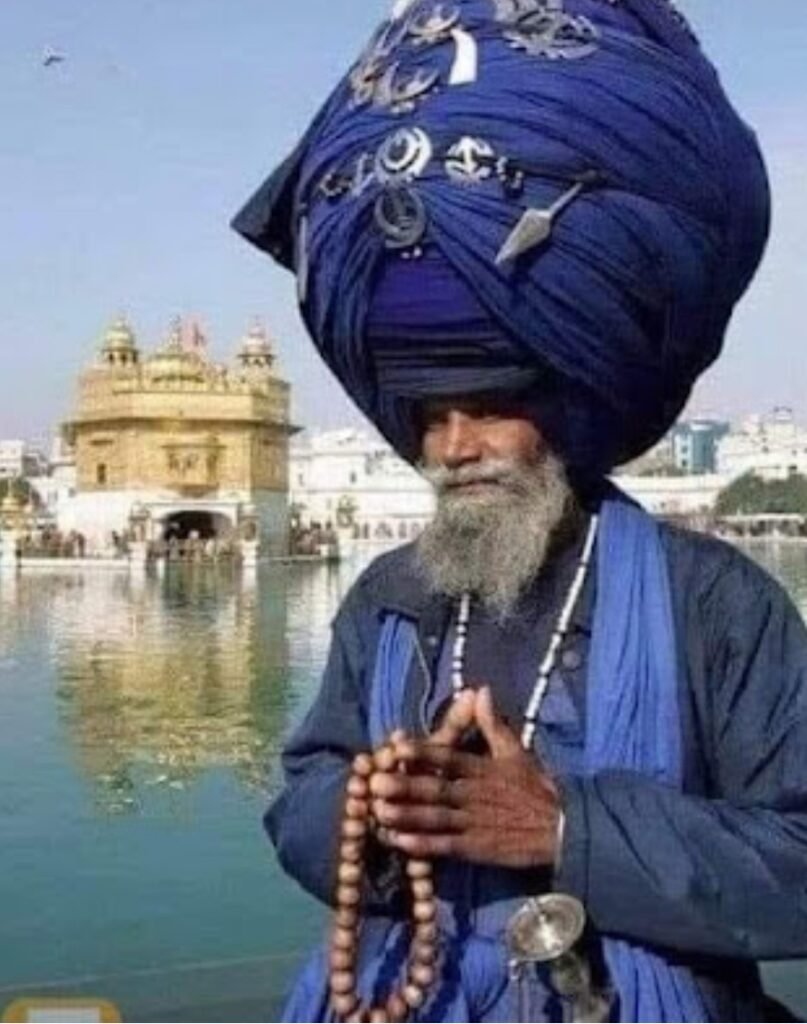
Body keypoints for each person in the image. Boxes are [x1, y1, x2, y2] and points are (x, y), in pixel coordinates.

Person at [233, 0, 807, 1020]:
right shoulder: (391, 597)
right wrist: (374, 811)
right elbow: (304, 792)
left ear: (565, 406)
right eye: (431, 416)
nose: (454, 446)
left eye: (490, 405)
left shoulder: (714, 604)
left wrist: (563, 828)